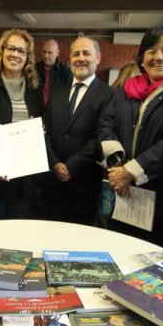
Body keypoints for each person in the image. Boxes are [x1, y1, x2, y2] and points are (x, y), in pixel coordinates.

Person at [98, 26, 163, 246]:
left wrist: (130, 172)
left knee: (148, 263)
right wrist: (118, 166)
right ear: (142, 59)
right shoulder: (125, 91)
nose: (158, 57)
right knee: (115, 249)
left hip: (159, 195)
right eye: (151, 51)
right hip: (120, 189)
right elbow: (106, 125)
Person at [43, 37, 114, 225]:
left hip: (86, 183)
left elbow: (102, 135)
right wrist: (55, 163)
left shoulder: (109, 94)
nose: (80, 58)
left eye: (86, 53)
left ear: (98, 58)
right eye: (76, 54)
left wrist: (72, 166)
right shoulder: (57, 92)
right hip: (54, 182)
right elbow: (46, 131)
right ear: (69, 59)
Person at [0, 29, 44, 219]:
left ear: (27, 57)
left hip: (24, 174)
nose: (15, 54)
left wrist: (40, 128)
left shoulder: (34, 88)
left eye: (21, 51)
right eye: (11, 49)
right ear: (2, 51)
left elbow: (40, 121)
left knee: (20, 229)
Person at [35, 39, 72, 104]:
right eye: (44, 52)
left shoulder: (66, 72)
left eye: (50, 53)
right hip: (36, 111)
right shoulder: (34, 69)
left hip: (57, 112)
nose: (46, 56)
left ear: (57, 53)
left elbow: (68, 97)